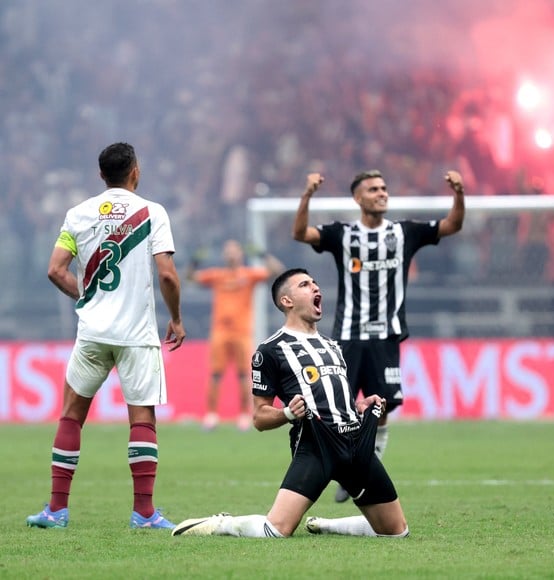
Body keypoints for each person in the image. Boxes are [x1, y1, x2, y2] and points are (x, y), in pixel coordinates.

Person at [171, 268, 409, 538]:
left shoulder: (333, 346)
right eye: (306, 284)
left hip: (355, 443)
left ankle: (328, 525)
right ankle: (223, 524)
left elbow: (335, 400)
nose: (316, 288)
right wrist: (287, 413)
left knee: (396, 532)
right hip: (316, 445)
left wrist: (359, 407)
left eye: (315, 282)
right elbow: (259, 418)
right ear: (287, 301)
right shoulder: (271, 350)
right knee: (276, 530)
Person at [27, 142, 185, 530]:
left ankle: (56, 510)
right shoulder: (152, 212)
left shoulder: (79, 213)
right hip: (136, 334)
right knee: (142, 418)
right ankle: (144, 513)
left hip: (93, 332)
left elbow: (55, 269)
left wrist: (89, 298)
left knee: (71, 415)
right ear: (135, 171)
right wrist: (177, 319)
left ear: (101, 176)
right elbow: (166, 273)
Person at [292, 168, 465, 502]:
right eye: (373, 189)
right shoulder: (343, 235)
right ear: (358, 198)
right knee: (338, 404)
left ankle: (369, 460)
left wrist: (458, 194)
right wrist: (307, 195)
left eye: (384, 188)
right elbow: (300, 233)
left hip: (386, 335)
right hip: (348, 335)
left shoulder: (405, 232)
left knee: (380, 404)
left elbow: (452, 225)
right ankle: (343, 462)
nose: (382, 193)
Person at [187, 239, 284, 431]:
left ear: (240, 254)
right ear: (224, 255)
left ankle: (243, 415)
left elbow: (278, 271)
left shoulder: (249, 275)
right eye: (228, 251)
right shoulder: (216, 275)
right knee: (215, 374)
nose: (231, 254)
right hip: (220, 332)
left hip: (242, 332)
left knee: (243, 375)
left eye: (234, 251)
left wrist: (261, 254)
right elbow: (189, 277)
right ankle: (211, 415)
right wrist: (195, 260)